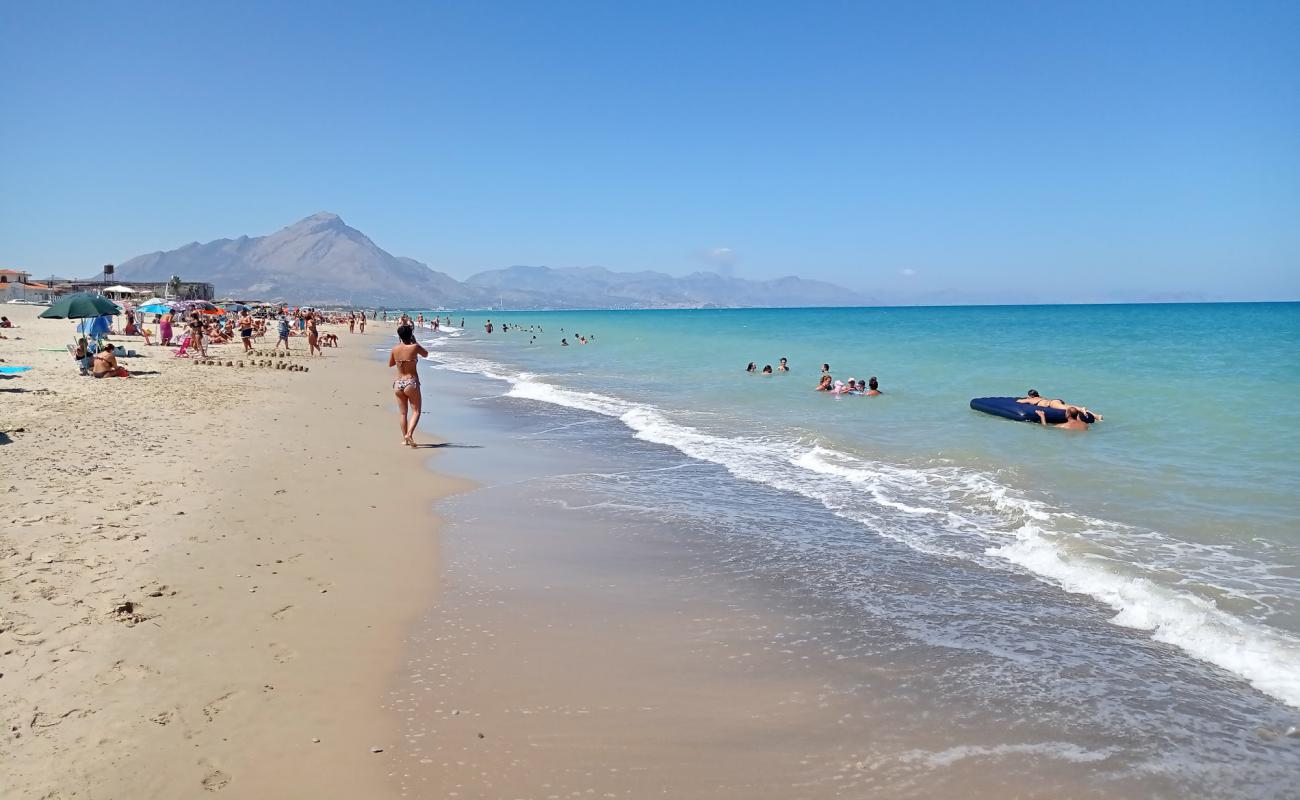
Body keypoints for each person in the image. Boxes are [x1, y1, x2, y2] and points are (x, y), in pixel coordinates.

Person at [389, 324, 429, 447]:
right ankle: (409, 434)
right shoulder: (414, 347)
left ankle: (405, 438)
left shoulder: (395, 349)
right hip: (411, 382)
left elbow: (391, 364)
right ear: (411, 334)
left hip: (398, 383)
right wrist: (415, 342)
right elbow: (426, 354)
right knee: (416, 411)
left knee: (403, 413)